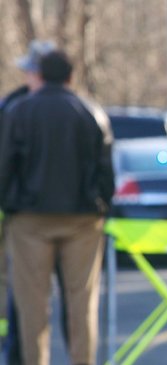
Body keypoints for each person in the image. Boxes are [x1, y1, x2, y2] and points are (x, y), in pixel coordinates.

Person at [0, 49, 115, 365]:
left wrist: (9, 206)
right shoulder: (91, 112)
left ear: (39, 74)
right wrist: (102, 205)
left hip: (29, 220)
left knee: (32, 308)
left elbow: (6, 164)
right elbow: (106, 170)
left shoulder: (19, 111)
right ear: (70, 76)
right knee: (82, 305)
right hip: (82, 221)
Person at [0, 39, 58, 365]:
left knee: (28, 293)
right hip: (18, 216)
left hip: (30, 216)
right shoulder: (12, 106)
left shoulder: (16, 107)